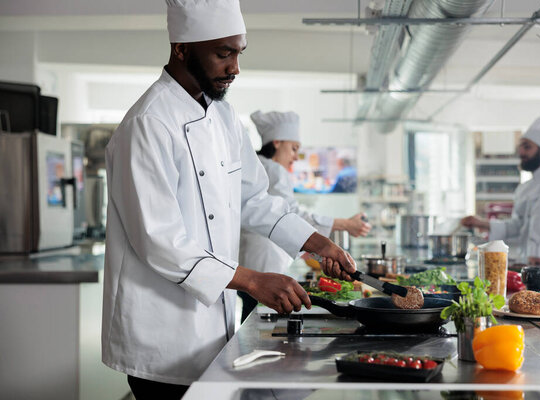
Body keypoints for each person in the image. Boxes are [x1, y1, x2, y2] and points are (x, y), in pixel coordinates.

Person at [101, 1, 355, 398]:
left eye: (238, 53)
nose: (235, 67)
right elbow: (159, 241)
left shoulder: (223, 117)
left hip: (215, 322)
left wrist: (317, 242)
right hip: (162, 330)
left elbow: (255, 198)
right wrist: (252, 280)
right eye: (223, 53)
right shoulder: (148, 124)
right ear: (182, 48)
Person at [237, 110, 372, 321]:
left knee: (250, 315)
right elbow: (292, 215)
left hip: (249, 262)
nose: (295, 157)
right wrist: (345, 225)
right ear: (277, 142)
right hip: (265, 262)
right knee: (259, 319)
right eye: (294, 149)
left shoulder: (258, 165)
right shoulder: (274, 169)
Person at [462, 116, 540, 269]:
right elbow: (517, 226)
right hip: (526, 264)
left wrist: (538, 253)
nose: (521, 152)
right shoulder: (524, 188)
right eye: (521, 147)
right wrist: (481, 222)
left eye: (527, 147)